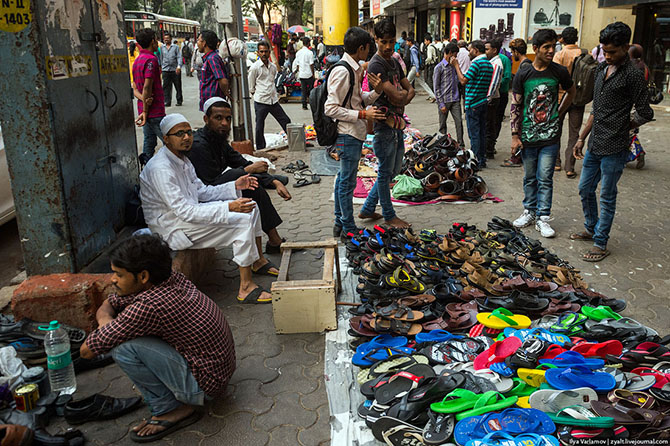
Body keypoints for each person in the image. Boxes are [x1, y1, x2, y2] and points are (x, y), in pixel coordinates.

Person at [80, 234, 235, 442]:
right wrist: (106, 319)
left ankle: (170, 409)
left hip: (207, 383)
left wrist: (106, 323)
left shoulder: (149, 306)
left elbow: (87, 351)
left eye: (118, 274)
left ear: (143, 276)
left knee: (122, 347)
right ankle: (178, 397)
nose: (113, 279)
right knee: (120, 334)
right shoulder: (170, 278)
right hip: (219, 371)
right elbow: (112, 302)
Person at [139, 113, 279, 303]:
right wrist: (229, 207)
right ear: (166, 139)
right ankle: (245, 287)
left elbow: (201, 192)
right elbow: (184, 211)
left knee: (250, 207)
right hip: (172, 228)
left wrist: (234, 186)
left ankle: (257, 260)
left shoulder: (183, 160)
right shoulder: (161, 169)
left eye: (188, 132)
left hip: (186, 218)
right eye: (179, 134)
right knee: (242, 220)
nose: (187, 137)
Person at [571, 22, 653, 261]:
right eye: (604, 51)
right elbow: (596, 109)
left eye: (612, 52)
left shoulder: (634, 76)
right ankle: (591, 227)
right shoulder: (599, 71)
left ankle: (600, 242)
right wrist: (581, 137)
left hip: (616, 147)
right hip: (594, 143)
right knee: (584, 188)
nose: (607, 56)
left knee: (607, 195)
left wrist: (625, 125)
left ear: (625, 47)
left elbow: (645, 112)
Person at [189, 98, 291, 254]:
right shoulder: (199, 145)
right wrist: (247, 170)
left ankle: (274, 242)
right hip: (201, 196)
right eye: (218, 118)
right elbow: (211, 183)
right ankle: (268, 247)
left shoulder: (219, 139)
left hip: (215, 188)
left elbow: (241, 162)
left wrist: (274, 182)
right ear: (206, 119)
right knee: (250, 184)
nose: (224, 123)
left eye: (228, 119)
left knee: (253, 181)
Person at [510, 29, 576, 238]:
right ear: (535, 49)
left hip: (550, 136)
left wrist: (560, 111)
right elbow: (515, 105)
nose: (551, 50)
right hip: (528, 136)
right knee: (530, 176)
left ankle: (543, 217)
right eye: (546, 47)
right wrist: (514, 135)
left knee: (545, 176)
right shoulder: (524, 73)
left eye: (553, 46)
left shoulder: (559, 71)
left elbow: (571, 91)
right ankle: (529, 211)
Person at [326, 27, 385, 237]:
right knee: (347, 182)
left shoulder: (354, 69)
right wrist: (362, 115)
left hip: (352, 133)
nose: (369, 52)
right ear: (361, 48)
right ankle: (348, 227)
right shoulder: (343, 71)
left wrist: (377, 92)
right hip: (346, 133)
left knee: (343, 178)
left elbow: (358, 100)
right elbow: (330, 108)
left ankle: (339, 223)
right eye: (368, 48)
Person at [360, 18, 415, 229]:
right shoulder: (376, 64)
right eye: (383, 42)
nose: (388, 46)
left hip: (397, 124)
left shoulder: (393, 61)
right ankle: (389, 215)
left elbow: (409, 89)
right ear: (376, 40)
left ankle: (367, 207)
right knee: (385, 172)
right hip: (385, 125)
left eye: (392, 41)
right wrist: (403, 95)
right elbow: (397, 96)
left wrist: (403, 95)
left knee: (391, 171)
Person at [451, 40, 493, 168]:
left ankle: (476, 161)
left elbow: (463, 80)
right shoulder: (488, 64)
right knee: (481, 132)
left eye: (470, 50)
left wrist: (456, 65)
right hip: (482, 101)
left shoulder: (477, 64)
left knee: (474, 134)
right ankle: (482, 159)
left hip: (473, 102)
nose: (469, 53)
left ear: (475, 50)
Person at [553, 26, 586, 178]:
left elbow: (554, 78)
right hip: (579, 98)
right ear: (576, 39)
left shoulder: (559, 54)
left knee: (556, 130)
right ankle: (570, 166)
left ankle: (556, 162)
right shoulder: (584, 54)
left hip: (561, 97)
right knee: (574, 133)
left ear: (563, 40)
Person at [248, 41, 292, 150]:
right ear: (258, 53)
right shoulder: (255, 68)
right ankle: (260, 148)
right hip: (261, 100)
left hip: (273, 100)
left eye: (266, 51)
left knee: (286, 120)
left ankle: (294, 141)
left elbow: (272, 81)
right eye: (261, 51)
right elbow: (251, 85)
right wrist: (256, 94)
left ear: (269, 52)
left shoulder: (272, 67)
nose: (264, 54)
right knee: (259, 127)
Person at [132, 28, 166, 159]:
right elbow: (147, 87)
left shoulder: (138, 60)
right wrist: (146, 108)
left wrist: (143, 100)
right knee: (169, 141)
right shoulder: (151, 60)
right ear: (153, 41)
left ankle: (146, 168)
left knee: (149, 141)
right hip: (154, 111)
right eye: (156, 39)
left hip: (143, 110)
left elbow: (135, 89)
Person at [501, 38, 530, 168]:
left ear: (516, 51)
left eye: (512, 52)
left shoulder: (524, 67)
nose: (512, 55)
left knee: (518, 132)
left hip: (523, 105)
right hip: (525, 105)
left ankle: (516, 157)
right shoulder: (528, 64)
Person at [433, 42, 464, 147]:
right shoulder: (439, 68)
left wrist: (457, 66)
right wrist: (441, 104)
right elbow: (436, 87)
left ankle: (461, 143)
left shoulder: (454, 66)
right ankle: (443, 144)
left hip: (455, 99)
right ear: (450, 53)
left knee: (459, 122)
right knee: (442, 125)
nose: (455, 57)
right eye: (455, 54)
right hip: (444, 100)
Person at [628, 43, 649, 170]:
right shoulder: (644, 66)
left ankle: (638, 152)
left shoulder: (633, 67)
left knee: (628, 131)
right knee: (630, 130)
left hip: (633, 104)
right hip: (640, 104)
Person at [197, 30, 229, 111]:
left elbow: (223, 81)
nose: (197, 43)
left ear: (204, 43)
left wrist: (225, 93)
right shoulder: (208, 58)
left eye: (198, 40)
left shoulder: (212, 59)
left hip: (214, 103)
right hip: (209, 102)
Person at [484, 38, 504, 160]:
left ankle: (489, 150)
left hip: (492, 99)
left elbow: (494, 83)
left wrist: (487, 99)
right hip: (492, 98)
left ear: (494, 50)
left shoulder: (497, 64)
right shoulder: (492, 62)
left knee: (489, 125)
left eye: (487, 49)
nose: (485, 52)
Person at [158, 33, 183, 107]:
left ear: (171, 39)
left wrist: (179, 66)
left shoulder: (175, 47)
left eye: (167, 38)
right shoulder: (162, 47)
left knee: (177, 86)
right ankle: (167, 101)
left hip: (175, 69)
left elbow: (179, 57)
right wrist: (161, 67)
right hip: (165, 70)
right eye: (165, 38)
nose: (166, 40)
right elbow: (161, 57)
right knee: (166, 87)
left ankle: (179, 100)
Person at [293, 36, 315, 110]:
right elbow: (311, 64)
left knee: (303, 90)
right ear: (308, 43)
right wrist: (313, 74)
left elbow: (298, 65)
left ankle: (304, 105)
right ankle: (312, 104)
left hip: (302, 74)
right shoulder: (310, 53)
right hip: (309, 74)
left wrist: (300, 71)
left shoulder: (298, 53)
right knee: (311, 90)